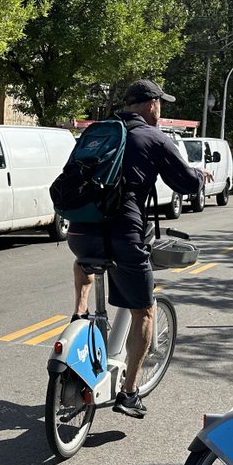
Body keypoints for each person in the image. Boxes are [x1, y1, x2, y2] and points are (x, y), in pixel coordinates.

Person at [67, 78, 210, 419]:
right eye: (160, 104)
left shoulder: (97, 131)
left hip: (80, 231)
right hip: (124, 234)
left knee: (85, 261)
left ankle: (79, 314)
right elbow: (184, 182)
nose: (160, 110)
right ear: (151, 104)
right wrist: (200, 176)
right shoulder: (154, 137)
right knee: (144, 311)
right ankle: (129, 393)